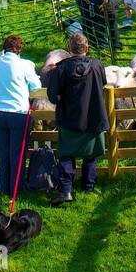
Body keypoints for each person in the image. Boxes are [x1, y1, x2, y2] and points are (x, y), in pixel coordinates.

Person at [47, 32, 109, 206]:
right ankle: (88, 187)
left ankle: (66, 190)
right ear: (87, 48)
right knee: (90, 154)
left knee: (66, 154)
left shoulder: (61, 68)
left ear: (69, 49)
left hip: (69, 118)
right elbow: (102, 83)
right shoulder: (97, 65)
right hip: (93, 116)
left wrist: (62, 100)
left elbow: (52, 96)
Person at [0, 35, 41, 202]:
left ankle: (4, 187)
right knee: (17, 153)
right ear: (19, 49)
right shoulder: (24, 64)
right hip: (18, 112)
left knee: (3, 152)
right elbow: (36, 85)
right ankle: (16, 189)